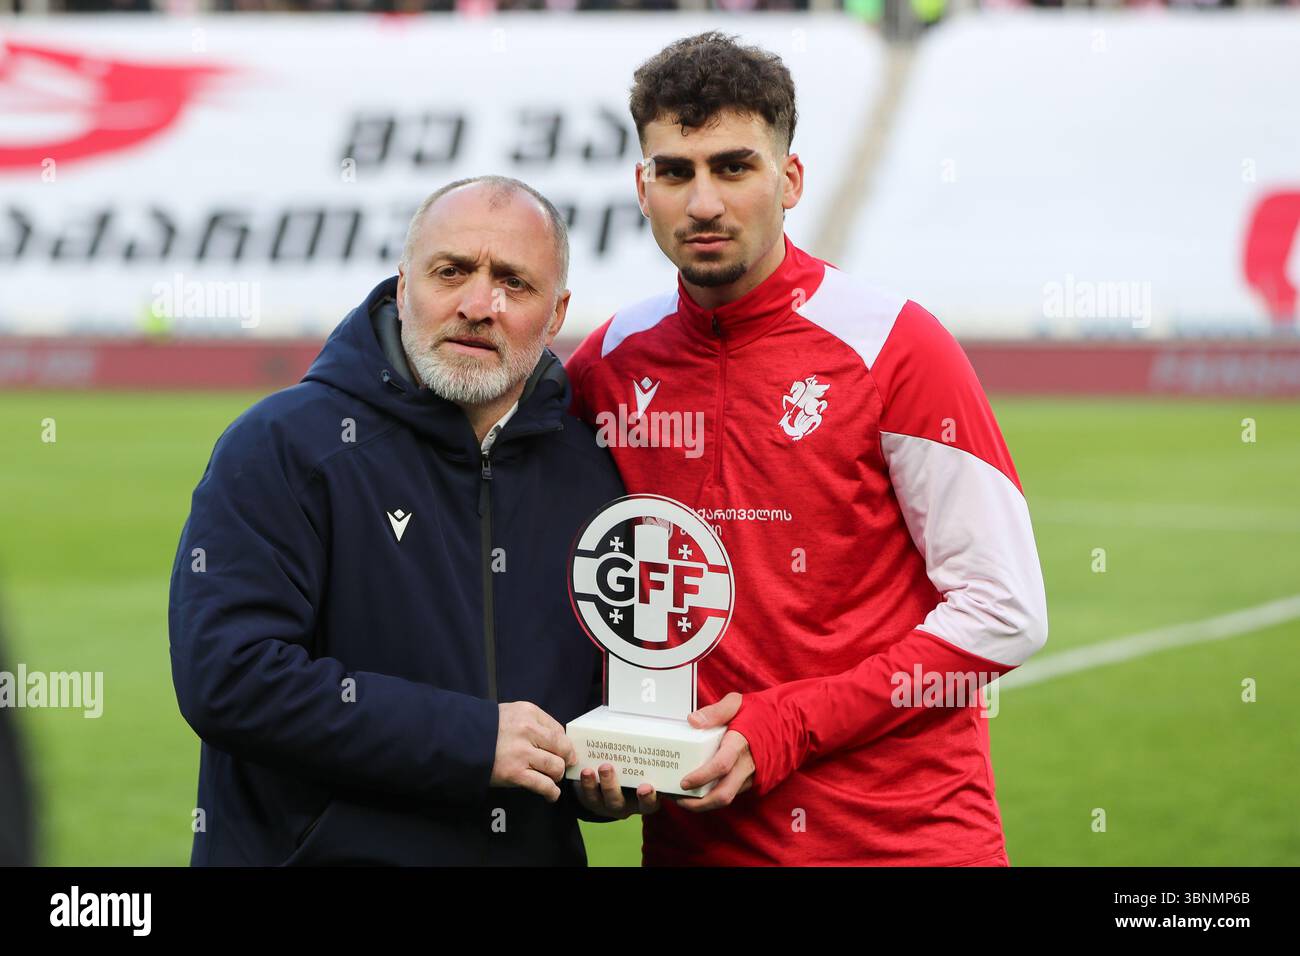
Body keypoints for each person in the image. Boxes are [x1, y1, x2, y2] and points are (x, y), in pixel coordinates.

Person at [564, 32, 1049, 865]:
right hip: (698, 845)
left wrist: (787, 722)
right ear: (643, 189)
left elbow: (1004, 612)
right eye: (676, 172)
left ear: (789, 181)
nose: (704, 203)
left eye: (734, 167)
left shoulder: (895, 346)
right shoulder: (608, 364)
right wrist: (593, 750)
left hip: (903, 845)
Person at [168, 175, 627, 865]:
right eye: (452, 272)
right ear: (404, 283)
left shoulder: (590, 473)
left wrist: (603, 771)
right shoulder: (283, 445)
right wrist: (471, 740)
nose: (479, 305)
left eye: (514, 283)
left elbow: (581, 710)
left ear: (556, 313)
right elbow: (229, 679)